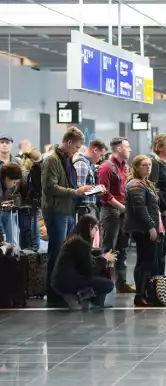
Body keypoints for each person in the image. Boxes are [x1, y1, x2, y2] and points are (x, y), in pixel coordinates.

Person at [41, 127, 93, 306]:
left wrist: (80, 190)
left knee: (65, 253)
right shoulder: (52, 160)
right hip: (56, 212)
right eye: (76, 147)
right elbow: (50, 187)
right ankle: (53, 293)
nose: (77, 151)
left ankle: (61, 291)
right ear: (69, 142)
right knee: (56, 253)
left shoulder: (67, 159)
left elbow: (65, 183)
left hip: (68, 210)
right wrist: (75, 191)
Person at [124, 155, 166, 307]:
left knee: (147, 262)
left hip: (148, 228)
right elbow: (140, 208)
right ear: (136, 167)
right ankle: (140, 296)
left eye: (149, 165)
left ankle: (145, 294)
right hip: (143, 229)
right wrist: (150, 226)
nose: (148, 167)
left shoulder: (145, 183)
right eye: (143, 165)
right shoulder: (135, 184)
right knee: (144, 263)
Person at [50, 214, 116, 310]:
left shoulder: (74, 239)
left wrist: (98, 255)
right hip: (66, 282)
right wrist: (104, 259)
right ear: (89, 227)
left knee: (101, 271)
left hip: (60, 280)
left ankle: (89, 300)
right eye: (95, 229)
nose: (95, 232)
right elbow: (89, 269)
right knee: (108, 284)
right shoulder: (80, 243)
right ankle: (78, 297)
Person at [98, 137, 135, 294]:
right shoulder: (106, 167)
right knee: (108, 248)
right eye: (127, 146)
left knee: (123, 248)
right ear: (119, 149)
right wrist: (122, 208)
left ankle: (121, 282)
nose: (130, 149)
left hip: (122, 211)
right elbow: (103, 193)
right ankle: (104, 282)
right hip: (111, 212)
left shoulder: (124, 167)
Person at [149, 134, 166, 276]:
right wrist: (164, 207)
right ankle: (156, 282)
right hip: (159, 213)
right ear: (159, 148)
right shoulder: (155, 164)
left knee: (163, 249)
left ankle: (161, 281)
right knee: (158, 250)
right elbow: (153, 189)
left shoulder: (165, 164)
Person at [74, 139, 108, 218]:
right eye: (101, 155)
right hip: (83, 208)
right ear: (95, 150)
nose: (101, 159)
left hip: (89, 207)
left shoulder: (89, 164)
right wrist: (97, 189)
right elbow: (79, 190)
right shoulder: (81, 163)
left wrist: (97, 190)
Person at [18, 148, 42, 248]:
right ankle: (34, 258)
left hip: (22, 206)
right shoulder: (31, 173)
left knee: (24, 232)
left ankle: (25, 256)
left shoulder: (21, 170)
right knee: (33, 232)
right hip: (30, 205)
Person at [0, 162, 23, 243]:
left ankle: (12, 247)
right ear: (6, 179)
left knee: (12, 240)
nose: (15, 185)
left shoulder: (7, 183)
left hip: (5, 212)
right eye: (14, 182)